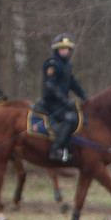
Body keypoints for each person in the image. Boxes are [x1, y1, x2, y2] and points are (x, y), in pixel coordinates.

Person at [39, 34, 87, 163]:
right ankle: (56, 149)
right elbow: (50, 85)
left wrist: (85, 96)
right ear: (57, 49)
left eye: (66, 48)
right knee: (69, 118)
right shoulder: (52, 63)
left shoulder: (67, 64)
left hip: (62, 101)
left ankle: (69, 149)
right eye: (62, 48)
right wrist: (66, 101)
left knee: (79, 116)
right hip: (51, 101)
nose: (64, 51)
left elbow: (72, 82)